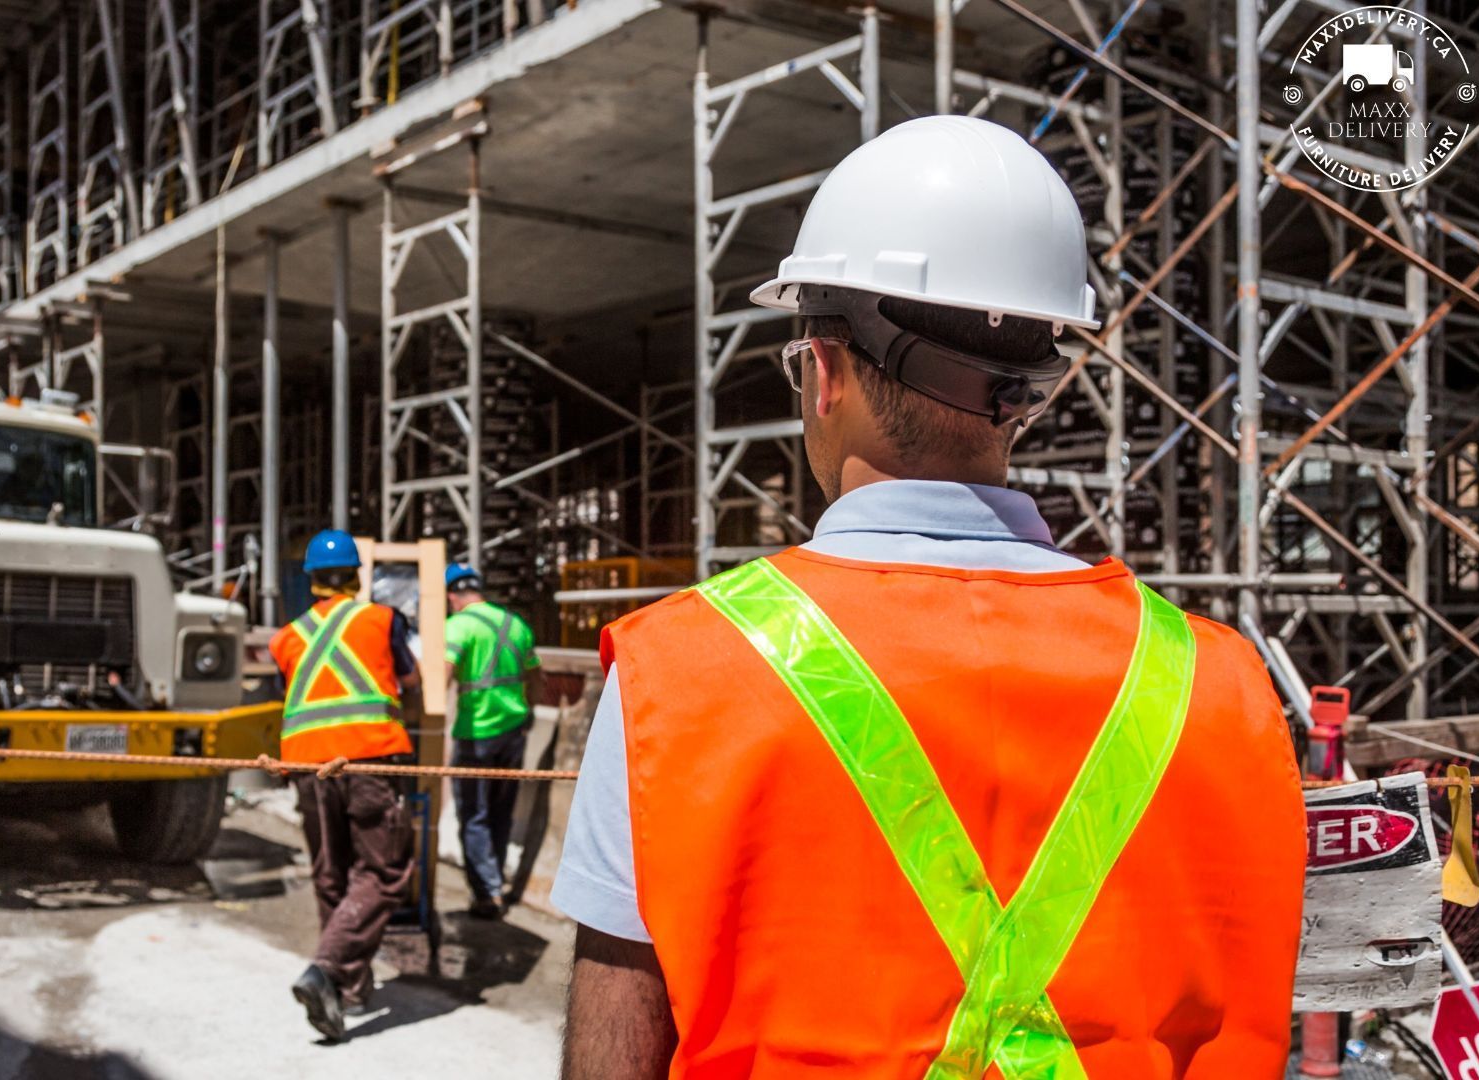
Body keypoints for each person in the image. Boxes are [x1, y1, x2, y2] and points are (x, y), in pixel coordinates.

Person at [553, 115, 1306, 1079]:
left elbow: (618, 1038)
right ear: (1029, 392)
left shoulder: (679, 676)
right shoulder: (1221, 681)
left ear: (822, 372)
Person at [268, 529, 422, 1042]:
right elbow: (412, 680)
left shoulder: (286, 637)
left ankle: (348, 989)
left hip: (309, 769)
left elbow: (290, 697)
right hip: (367, 759)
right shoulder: (381, 620)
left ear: (311, 580)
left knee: (332, 873)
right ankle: (327, 970)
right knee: (386, 872)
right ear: (358, 576)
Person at [442, 562, 541, 918]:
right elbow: (536, 676)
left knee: (474, 815)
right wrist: (526, 712)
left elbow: (443, 677)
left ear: (452, 596)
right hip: (513, 733)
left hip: (475, 734)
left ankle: (487, 894)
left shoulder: (458, 626)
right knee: (501, 812)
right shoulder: (516, 624)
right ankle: (495, 880)